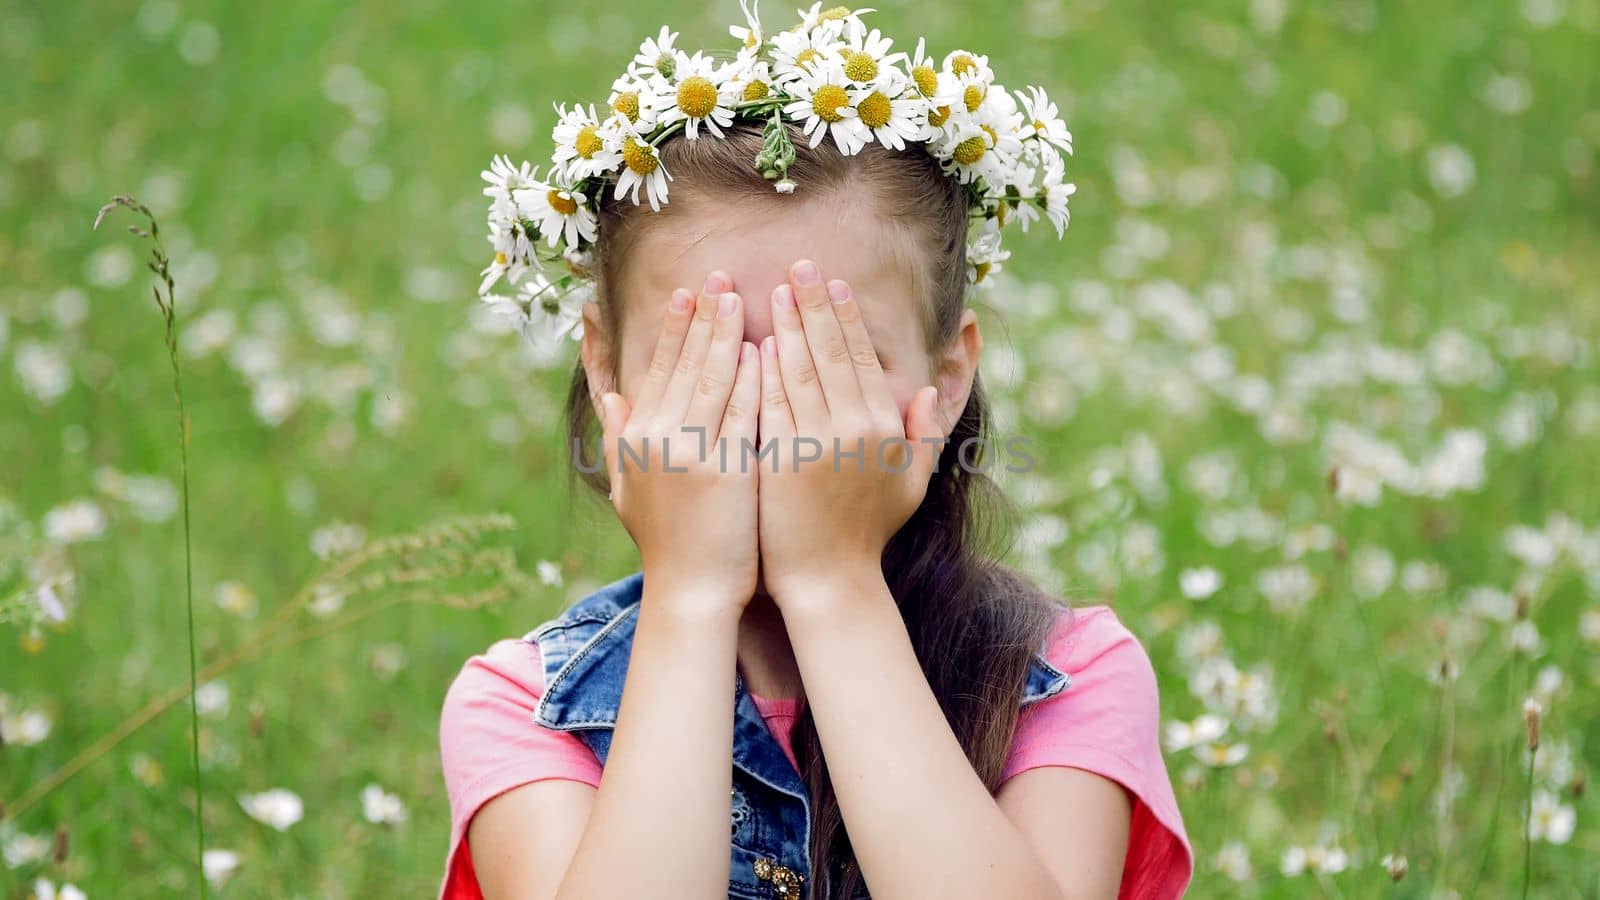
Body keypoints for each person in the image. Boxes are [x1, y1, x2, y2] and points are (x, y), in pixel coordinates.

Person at [441, 7, 1192, 898]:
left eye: (833, 361)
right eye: (704, 360)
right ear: (606, 370)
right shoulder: (526, 710)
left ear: (946, 380)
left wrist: (834, 583)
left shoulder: (1067, 680)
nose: (772, 415)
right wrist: (690, 595)